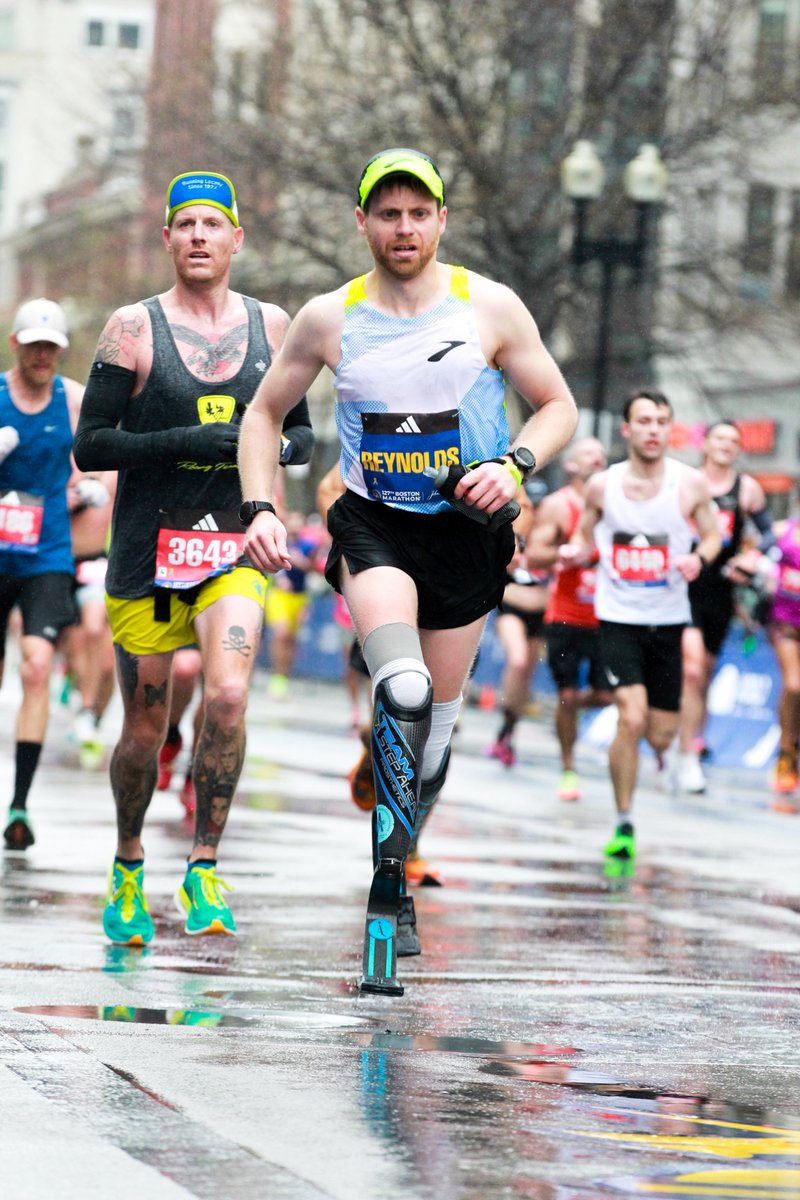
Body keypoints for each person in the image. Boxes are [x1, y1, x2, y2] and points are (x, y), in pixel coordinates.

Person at [238, 146, 578, 994]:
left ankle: (406, 842)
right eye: (386, 214)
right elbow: (263, 414)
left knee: (435, 737)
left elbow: (559, 404)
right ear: (362, 223)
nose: (402, 228)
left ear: (439, 222)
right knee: (405, 690)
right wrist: (262, 508)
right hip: (373, 524)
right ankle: (385, 893)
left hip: (466, 537)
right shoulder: (330, 317)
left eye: (417, 213)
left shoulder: (488, 307)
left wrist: (519, 464)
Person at [73, 169, 313, 945]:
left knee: (230, 696)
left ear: (237, 239)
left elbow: (301, 435)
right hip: (148, 551)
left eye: (215, 224)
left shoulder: (274, 327)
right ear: (170, 238)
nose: (201, 236)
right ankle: (129, 862)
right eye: (188, 225)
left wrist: (262, 450)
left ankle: (205, 866)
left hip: (232, 546)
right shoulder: (131, 330)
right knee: (143, 732)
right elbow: (91, 444)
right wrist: (185, 442)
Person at [559, 390, 720, 877]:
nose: (653, 429)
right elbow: (584, 536)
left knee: (661, 734)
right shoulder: (601, 487)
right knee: (630, 718)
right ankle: (624, 823)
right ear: (626, 430)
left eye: (662, 421)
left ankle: (661, 756)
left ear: (670, 430)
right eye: (644, 420)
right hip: (617, 618)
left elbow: (712, 535)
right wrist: (575, 551)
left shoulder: (690, 485)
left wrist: (699, 557)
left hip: (668, 620)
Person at [1, 299, 87, 850]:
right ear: (16, 343)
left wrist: (92, 484)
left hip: (46, 555)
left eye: (50, 347)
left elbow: (100, 450)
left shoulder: (73, 399)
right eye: (33, 344)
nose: (41, 354)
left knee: (37, 667)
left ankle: (20, 806)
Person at [676, 418, 772, 794]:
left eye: (734, 440)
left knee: (706, 674)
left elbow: (768, 533)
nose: (726, 445)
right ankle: (687, 757)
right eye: (720, 438)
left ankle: (695, 740)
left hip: (721, 589)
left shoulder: (746, 489)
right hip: (684, 585)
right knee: (694, 669)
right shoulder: (686, 480)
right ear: (706, 443)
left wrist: (751, 560)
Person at [526, 436, 612, 801]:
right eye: (589, 453)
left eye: (601, 454)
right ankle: (568, 768)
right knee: (566, 691)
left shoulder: (618, 505)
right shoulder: (559, 506)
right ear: (573, 466)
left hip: (608, 616)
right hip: (566, 616)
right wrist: (565, 551)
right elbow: (534, 555)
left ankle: (568, 710)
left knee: (608, 695)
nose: (597, 458)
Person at [487, 487, 548, 768]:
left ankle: (508, 729)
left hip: (541, 614)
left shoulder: (552, 535)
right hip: (512, 607)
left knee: (526, 676)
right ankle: (505, 727)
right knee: (518, 659)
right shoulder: (511, 531)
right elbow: (500, 571)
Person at [65, 466, 117, 769]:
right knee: (76, 646)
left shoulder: (120, 463)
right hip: (62, 561)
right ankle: (83, 703)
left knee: (102, 645)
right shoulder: (67, 453)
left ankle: (90, 715)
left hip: (103, 561)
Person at [764, 509, 800, 807]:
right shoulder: (782, 532)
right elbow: (756, 552)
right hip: (784, 624)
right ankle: (786, 751)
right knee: (794, 685)